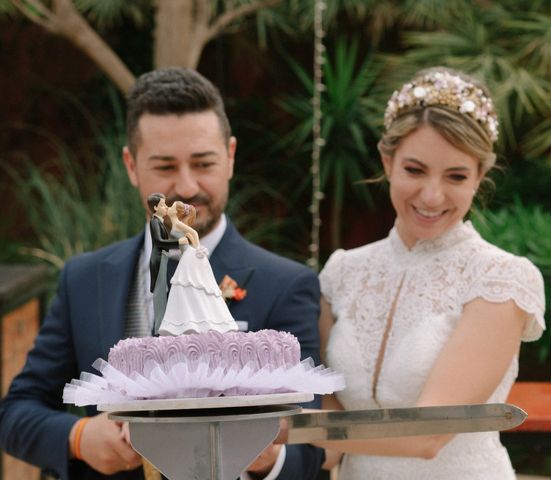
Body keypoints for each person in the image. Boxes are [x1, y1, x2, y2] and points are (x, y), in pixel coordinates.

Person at [0, 68, 324, 480]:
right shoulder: (83, 279)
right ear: (131, 165)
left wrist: (260, 456)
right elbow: (16, 411)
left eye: (203, 162)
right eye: (165, 166)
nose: (186, 187)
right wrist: (80, 437)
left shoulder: (287, 284)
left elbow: (311, 448)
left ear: (231, 157)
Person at [317, 67, 546, 478]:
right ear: (388, 161)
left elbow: (427, 435)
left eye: (456, 176)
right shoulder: (342, 272)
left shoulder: (501, 279)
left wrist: (283, 434)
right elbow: (328, 411)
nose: (432, 196)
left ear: (480, 176)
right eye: (415, 170)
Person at [158, 200, 238, 335]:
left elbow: (193, 235)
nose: (169, 208)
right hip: (187, 255)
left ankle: (196, 320)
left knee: (189, 286)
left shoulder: (178, 224)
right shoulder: (176, 224)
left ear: (176, 212)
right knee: (186, 288)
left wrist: (195, 248)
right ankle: (187, 321)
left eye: (171, 207)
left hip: (190, 256)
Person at [147, 192, 187, 333]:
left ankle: (162, 327)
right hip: (159, 258)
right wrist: (178, 243)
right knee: (159, 292)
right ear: (155, 208)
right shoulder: (154, 222)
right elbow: (158, 242)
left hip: (163, 257)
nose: (166, 207)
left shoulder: (160, 222)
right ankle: (159, 330)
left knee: (163, 290)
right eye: (163, 205)